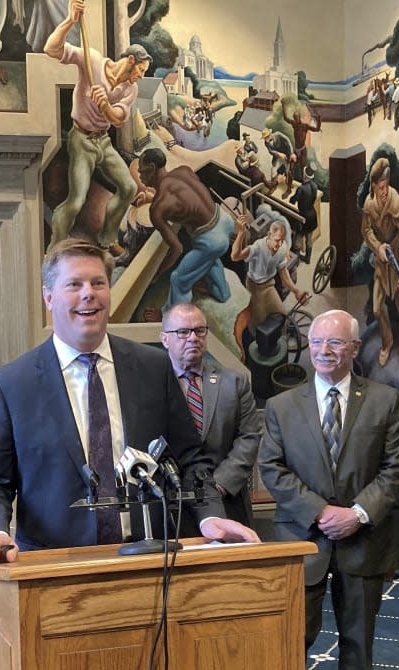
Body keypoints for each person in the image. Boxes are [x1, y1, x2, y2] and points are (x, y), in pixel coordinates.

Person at [0, 239, 260, 578]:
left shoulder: (153, 367)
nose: (88, 293)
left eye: (98, 283)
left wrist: (210, 515)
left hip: (150, 561)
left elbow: (189, 457)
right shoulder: (11, 384)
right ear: (49, 297)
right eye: (74, 285)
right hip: (55, 568)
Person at [259, 309, 399, 670]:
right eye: (317, 342)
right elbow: (272, 469)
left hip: (363, 541)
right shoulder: (282, 406)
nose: (324, 351)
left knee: (357, 642)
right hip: (302, 543)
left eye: (335, 343)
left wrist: (358, 513)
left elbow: (396, 468)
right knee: (291, 641)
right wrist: (321, 512)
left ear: (354, 349)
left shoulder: (384, 401)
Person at [43, 0, 147, 251]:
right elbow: (51, 49)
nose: (142, 75)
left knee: (129, 187)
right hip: (81, 140)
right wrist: (69, 21)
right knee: (77, 200)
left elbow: (118, 119)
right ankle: (56, 247)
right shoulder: (92, 60)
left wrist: (105, 106)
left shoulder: (130, 89)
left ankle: (107, 236)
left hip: (104, 142)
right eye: (141, 69)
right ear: (131, 60)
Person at [160, 303, 260, 526]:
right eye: (183, 332)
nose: (193, 338)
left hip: (226, 500)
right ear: (165, 339)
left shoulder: (234, 382)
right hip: (170, 505)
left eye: (199, 330)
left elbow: (249, 437)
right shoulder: (154, 383)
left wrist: (220, 484)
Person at [137, 148, 233, 312]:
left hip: (210, 240)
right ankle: (221, 292)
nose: (140, 176)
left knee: (178, 279)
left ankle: (168, 314)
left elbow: (177, 249)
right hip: (224, 220)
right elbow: (186, 200)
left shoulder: (157, 209)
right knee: (208, 259)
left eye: (141, 171)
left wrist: (157, 273)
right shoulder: (183, 171)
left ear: (152, 168)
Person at [361, 157, 399, 393]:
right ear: (374, 186)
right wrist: (378, 247)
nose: (384, 191)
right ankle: (386, 342)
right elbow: (366, 231)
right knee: (377, 309)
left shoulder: (396, 203)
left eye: (386, 185)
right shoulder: (369, 204)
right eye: (380, 187)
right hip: (382, 264)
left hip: (398, 263)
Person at [230, 212, 309, 355]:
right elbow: (235, 256)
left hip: (269, 286)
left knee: (282, 315)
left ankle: (276, 346)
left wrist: (296, 291)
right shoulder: (258, 247)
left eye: (281, 241)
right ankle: (260, 354)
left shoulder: (282, 247)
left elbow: (283, 273)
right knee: (258, 327)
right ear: (268, 235)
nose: (279, 245)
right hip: (254, 288)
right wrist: (241, 233)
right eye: (276, 240)